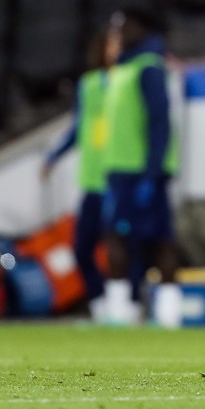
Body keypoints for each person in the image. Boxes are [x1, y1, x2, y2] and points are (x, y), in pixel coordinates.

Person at [100, 8, 181, 328]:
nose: (118, 30)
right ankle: (123, 308)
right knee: (120, 237)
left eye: (125, 25)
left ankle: (166, 312)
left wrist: (151, 173)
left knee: (159, 239)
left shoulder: (148, 67)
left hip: (140, 171)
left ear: (142, 28)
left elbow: (158, 123)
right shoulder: (124, 68)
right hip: (120, 169)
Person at [41, 31, 114, 321]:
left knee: (121, 247)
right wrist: (53, 157)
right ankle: (100, 303)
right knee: (82, 248)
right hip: (93, 180)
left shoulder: (131, 80)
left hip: (121, 178)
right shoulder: (90, 84)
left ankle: (128, 304)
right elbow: (78, 127)